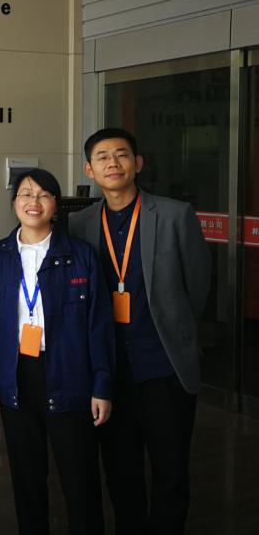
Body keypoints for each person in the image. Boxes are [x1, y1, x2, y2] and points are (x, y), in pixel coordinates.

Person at [70, 128, 210, 534]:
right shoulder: (79, 224)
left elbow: (198, 285)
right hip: (110, 373)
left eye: (121, 154)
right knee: (120, 470)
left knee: (170, 469)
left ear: (138, 163)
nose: (113, 163)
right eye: (102, 157)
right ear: (89, 170)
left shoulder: (174, 215)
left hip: (165, 367)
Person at [0, 168, 114, 535]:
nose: (33, 202)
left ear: (56, 204)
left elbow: (99, 326)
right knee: (26, 478)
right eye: (25, 194)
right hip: (16, 376)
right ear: (14, 203)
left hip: (70, 375)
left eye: (43, 195)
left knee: (80, 478)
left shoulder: (80, 255)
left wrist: (102, 385)